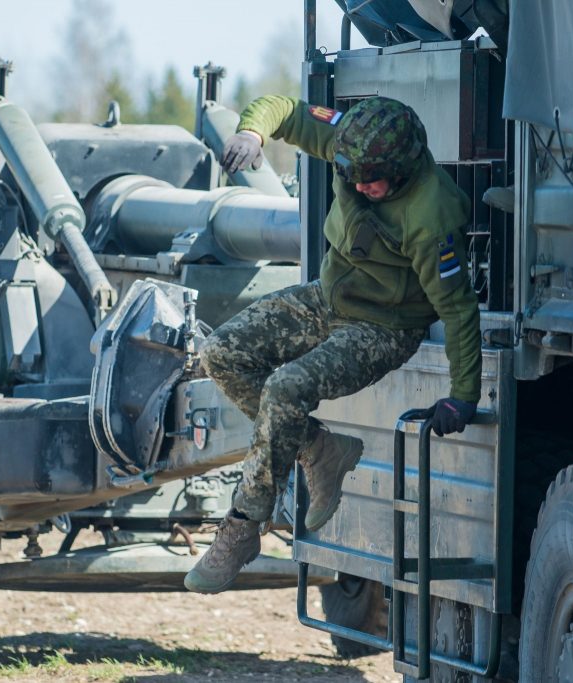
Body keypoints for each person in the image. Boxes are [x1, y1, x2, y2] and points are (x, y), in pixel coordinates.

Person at [183, 96, 484, 594]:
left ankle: (242, 525)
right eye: (353, 174)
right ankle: (319, 449)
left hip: (383, 327)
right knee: (222, 353)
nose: (360, 186)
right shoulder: (353, 141)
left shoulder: (433, 214)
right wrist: (252, 133)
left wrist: (464, 395)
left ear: (403, 170)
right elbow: (285, 108)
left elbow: (458, 310)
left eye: (372, 180)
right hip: (329, 299)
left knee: (286, 387)